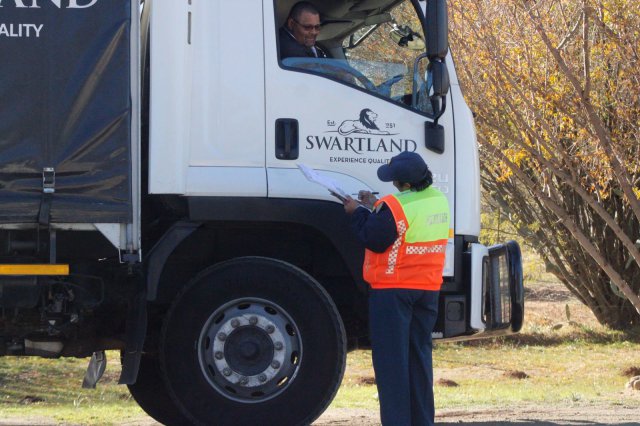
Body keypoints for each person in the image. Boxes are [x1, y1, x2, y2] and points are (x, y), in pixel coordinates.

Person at [343, 151, 450, 426]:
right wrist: (375, 206)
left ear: (402, 183)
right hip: (427, 290)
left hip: (393, 290)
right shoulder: (437, 199)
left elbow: (375, 238)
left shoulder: (395, 206)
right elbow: (408, 224)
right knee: (418, 359)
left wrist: (357, 213)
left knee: (392, 364)